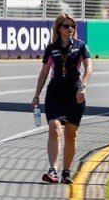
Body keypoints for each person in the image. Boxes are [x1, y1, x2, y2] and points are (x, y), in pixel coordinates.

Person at [31, 13, 93, 184]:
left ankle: (66, 172)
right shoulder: (51, 48)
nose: (70, 29)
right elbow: (44, 72)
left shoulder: (81, 46)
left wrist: (83, 87)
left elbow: (89, 67)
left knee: (71, 135)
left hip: (74, 93)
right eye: (66, 26)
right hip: (55, 93)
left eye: (72, 26)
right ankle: (52, 170)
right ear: (59, 28)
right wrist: (36, 95)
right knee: (54, 128)